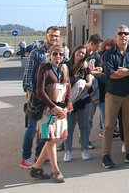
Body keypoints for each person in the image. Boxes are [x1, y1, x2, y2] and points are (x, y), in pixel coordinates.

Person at [101, 25, 129, 169]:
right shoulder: (109, 54)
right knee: (109, 126)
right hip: (113, 94)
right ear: (116, 36)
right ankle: (106, 155)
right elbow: (111, 74)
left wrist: (125, 71)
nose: (123, 36)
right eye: (120, 33)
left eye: (126, 33)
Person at [30, 44, 72, 183]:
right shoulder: (44, 68)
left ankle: (36, 168)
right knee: (51, 139)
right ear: (50, 55)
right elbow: (40, 92)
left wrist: (66, 105)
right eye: (55, 54)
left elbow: (68, 88)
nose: (58, 57)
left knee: (52, 139)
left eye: (60, 54)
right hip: (46, 111)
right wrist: (54, 107)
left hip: (59, 110)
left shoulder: (63, 68)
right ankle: (55, 171)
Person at [20, 26, 61, 169]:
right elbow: (28, 73)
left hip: (50, 100)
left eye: (56, 36)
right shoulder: (36, 53)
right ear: (46, 35)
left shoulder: (59, 53)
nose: (54, 38)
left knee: (45, 130)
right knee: (31, 128)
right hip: (37, 98)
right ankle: (25, 157)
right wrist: (29, 92)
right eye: (52, 35)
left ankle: (39, 155)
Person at [64, 45, 94, 162]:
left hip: (83, 100)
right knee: (69, 127)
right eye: (79, 52)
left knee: (84, 126)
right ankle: (68, 152)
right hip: (69, 102)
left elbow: (89, 83)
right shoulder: (66, 66)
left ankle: (84, 150)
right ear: (74, 51)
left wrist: (80, 85)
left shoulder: (85, 67)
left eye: (83, 54)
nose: (80, 55)